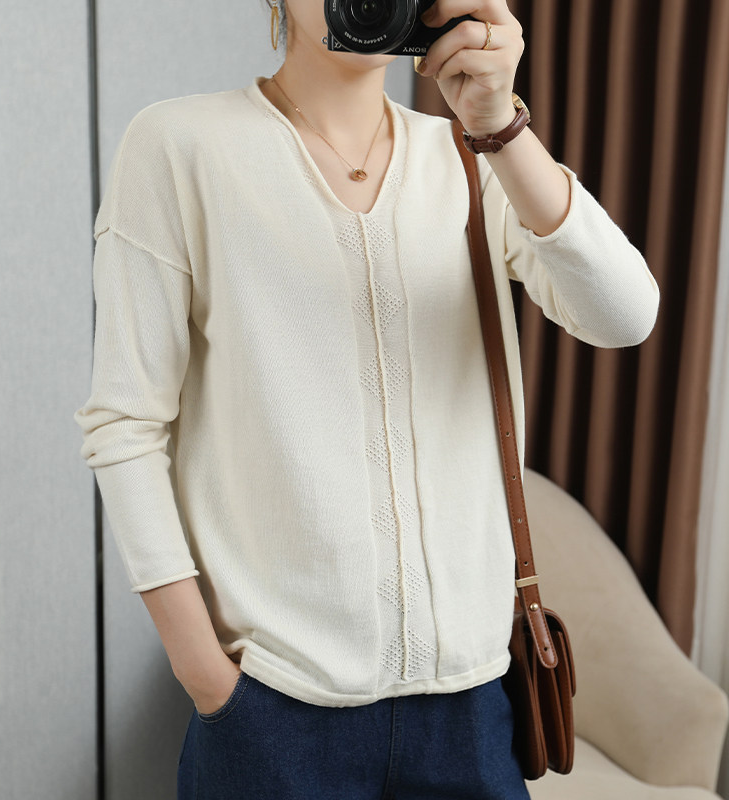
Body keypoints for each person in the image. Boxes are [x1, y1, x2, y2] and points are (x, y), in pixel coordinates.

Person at [74, 0, 659, 797]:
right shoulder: (181, 146)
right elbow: (126, 424)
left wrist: (501, 129)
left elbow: (625, 316)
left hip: (471, 712)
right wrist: (207, 676)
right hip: (273, 712)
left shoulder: (470, 156)